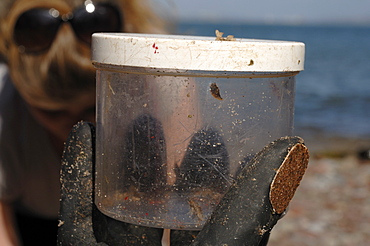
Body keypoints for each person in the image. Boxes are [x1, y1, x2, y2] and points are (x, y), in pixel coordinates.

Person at [0, 0, 167, 245]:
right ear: (24, 96)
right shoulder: (6, 106)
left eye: (92, 109)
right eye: (53, 112)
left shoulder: (156, 93)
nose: (74, 124)